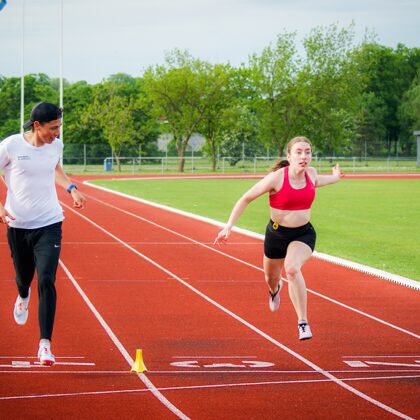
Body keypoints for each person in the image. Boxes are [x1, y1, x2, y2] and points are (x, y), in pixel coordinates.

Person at [214, 136, 343, 340]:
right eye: (299, 152)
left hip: (303, 234)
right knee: (271, 279)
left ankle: (303, 322)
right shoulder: (276, 178)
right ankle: (275, 290)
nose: (304, 156)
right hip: (276, 234)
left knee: (291, 269)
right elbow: (246, 198)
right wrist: (229, 226)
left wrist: (336, 176)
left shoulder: (311, 174)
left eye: (307, 152)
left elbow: (321, 181)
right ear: (289, 156)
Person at [0, 102, 86, 365]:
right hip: (18, 225)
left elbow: (55, 169)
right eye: (53, 128)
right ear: (37, 125)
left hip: (50, 223)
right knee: (23, 278)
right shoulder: (11, 146)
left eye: (59, 127)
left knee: (47, 278)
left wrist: (71, 189)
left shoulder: (55, 146)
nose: (57, 133)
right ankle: (23, 295)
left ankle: (45, 345)